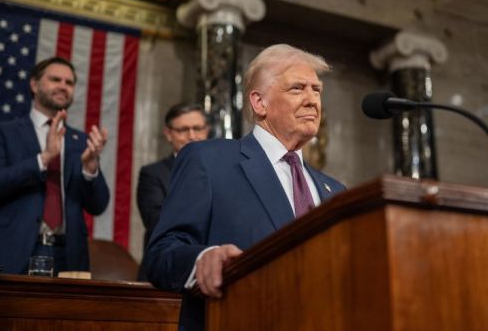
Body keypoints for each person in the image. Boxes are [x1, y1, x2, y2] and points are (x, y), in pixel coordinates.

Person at [144, 44, 347, 331]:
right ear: (259, 102)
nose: (313, 100)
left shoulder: (335, 191)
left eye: (317, 90)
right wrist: (203, 259)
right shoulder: (209, 160)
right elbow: (161, 254)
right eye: (297, 89)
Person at [0, 56, 110, 274]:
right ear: (34, 84)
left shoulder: (80, 141)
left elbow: (98, 205)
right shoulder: (5, 132)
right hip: (12, 249)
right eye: (55, 79)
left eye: (69, 83)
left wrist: (90, 167)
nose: (63, 86)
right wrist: (44, 158)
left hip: (68, 255)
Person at [136, 103, 209, 249]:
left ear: (207, 130)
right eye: (183, 130)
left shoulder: (220, 171)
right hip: (169, 263)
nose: (192, 136)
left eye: (197, 128)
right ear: (168, 134)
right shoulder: (152, 174)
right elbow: (158, 223)